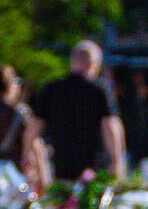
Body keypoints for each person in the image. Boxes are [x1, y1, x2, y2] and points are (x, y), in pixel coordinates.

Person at [29, 40, 125, 183]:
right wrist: (117, 161)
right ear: (94, 64)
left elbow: (34, 126)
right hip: (94, 165)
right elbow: (110, 126)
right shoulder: (99, 90)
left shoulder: (51, 88)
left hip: (60, 164)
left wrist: (28, 154)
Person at [0, 65, 47, 186]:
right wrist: (44, 181)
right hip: (12, 178)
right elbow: (36, 147)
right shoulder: (21, 114)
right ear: (10, 85)